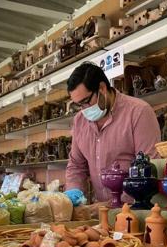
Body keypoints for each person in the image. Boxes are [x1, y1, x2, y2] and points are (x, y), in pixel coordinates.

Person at [65, 62, 161, 203]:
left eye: (86, 101)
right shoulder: (80, 121)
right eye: (79, 105)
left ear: (102, 88)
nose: (84, 109)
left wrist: (115, 205)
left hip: (136, 209)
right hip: (101, 212)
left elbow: (149, 167)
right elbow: (76, 166)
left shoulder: (138, 112)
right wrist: (74, 196)